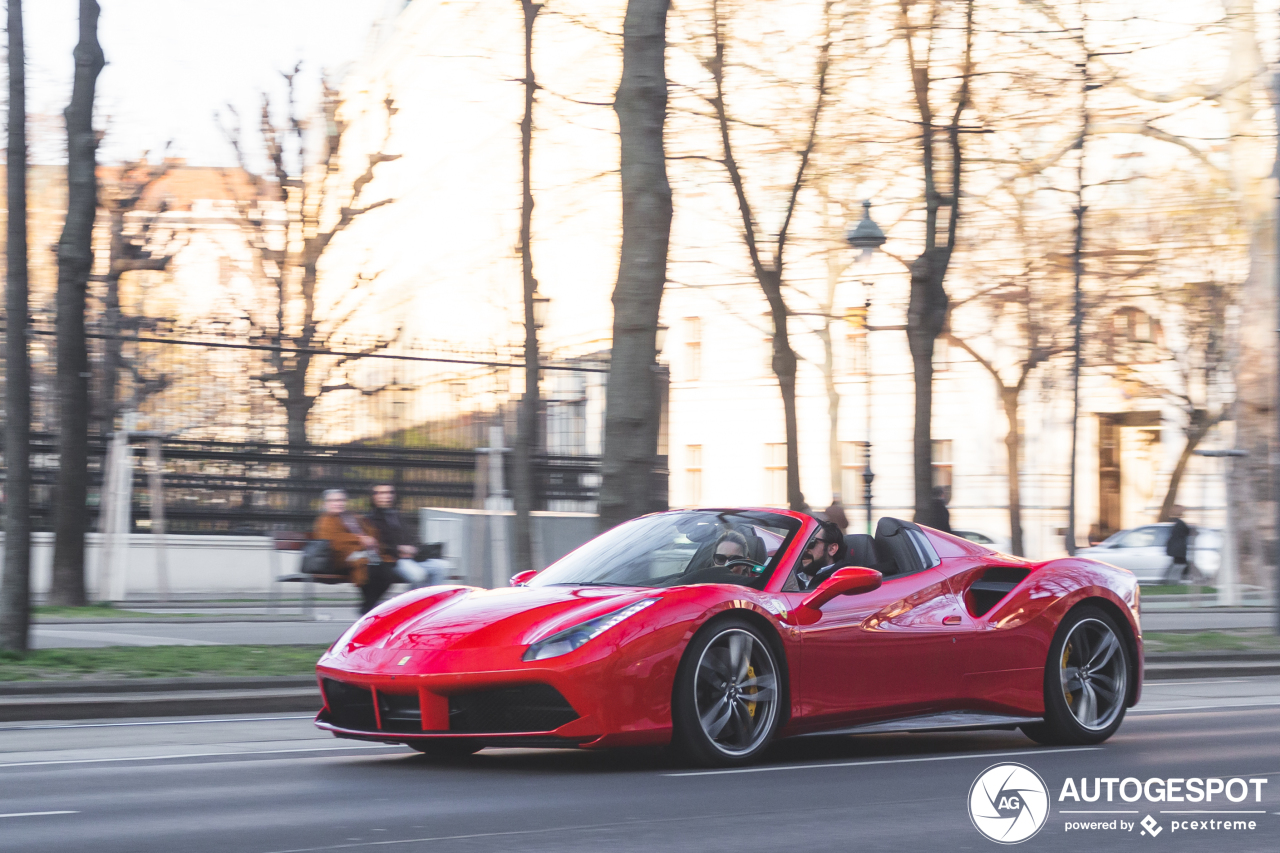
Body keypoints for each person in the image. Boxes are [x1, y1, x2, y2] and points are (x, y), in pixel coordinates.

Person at [312, 489, 394, 614]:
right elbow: (333, 542)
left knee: (386, 571)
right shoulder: (325, 520)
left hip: (363, 555)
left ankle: (368, 606)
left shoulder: (351, 516)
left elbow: (371, 531)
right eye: (334, 500)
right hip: (339, 559)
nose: (338, 503)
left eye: (341, 500)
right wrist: (359, 539)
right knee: (370, 569)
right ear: (326, 503)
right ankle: (368, 608)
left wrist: (370, 538)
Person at [794, 519, 845, 590]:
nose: (804, 549)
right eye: (801, 543)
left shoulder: (842, 583)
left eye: (811, 543)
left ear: (832, 549)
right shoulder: (788, 577)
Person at [1165, 505, 1194, 584]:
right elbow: (1187, 532)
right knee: (1180, 564)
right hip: (1179, 548)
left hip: (1176, 548)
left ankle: (1176, 580)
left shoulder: (1175, 522)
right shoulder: (1179, 523)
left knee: (1180, 564)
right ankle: (1174, 581)